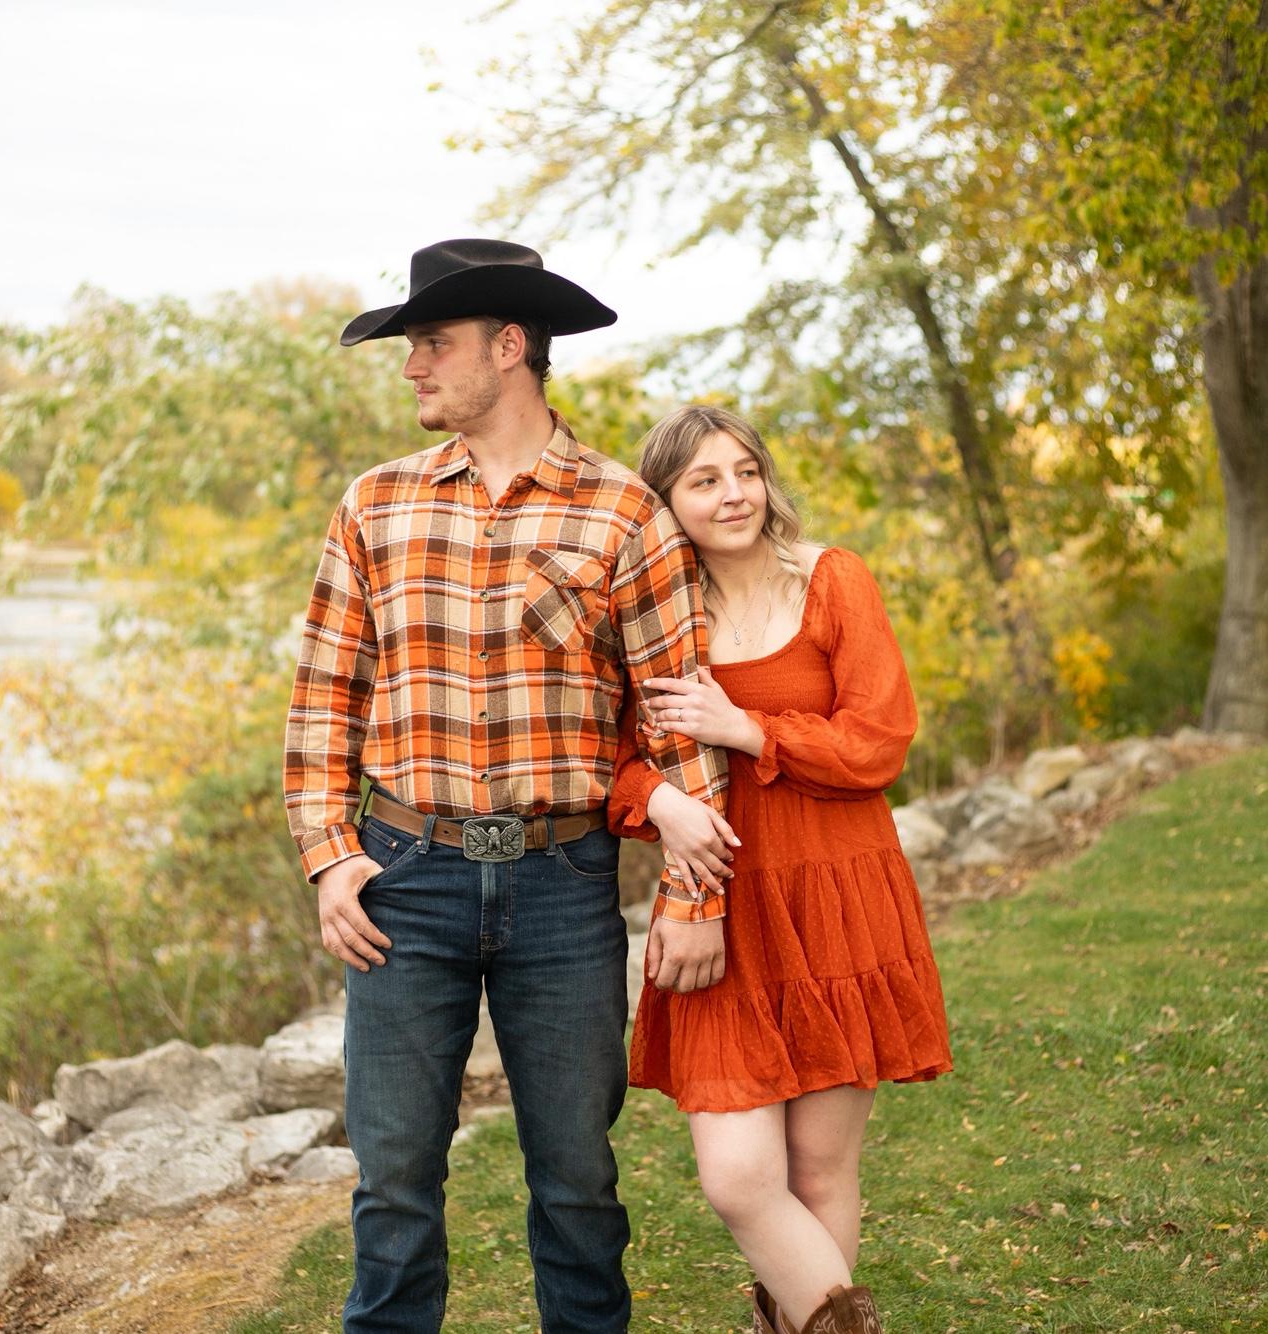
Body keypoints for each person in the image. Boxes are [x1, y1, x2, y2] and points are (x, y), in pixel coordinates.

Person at [282, 239, 733, 1333]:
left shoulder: (625, 512)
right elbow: (324, 698)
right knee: (393, 1177)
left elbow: (678, 716)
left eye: (431, 343)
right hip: (403, 880)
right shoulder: (374, 504)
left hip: (563, 887)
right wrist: (330, 857)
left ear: (508, 346)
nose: (411, 367)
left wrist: (694, 897)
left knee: (577, 1181)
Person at [609, 405, 953, 1334]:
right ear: (665, 503)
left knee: (820, 1171)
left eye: (746, 471)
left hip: (840, 897)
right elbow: (605, 762)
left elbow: (879, 742)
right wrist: (662, 803)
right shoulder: (651, 617)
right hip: (721, 909)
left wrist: (748, 729)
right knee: (739, 1179)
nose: (735, 495)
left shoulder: (831, 580)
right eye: (705, 480)